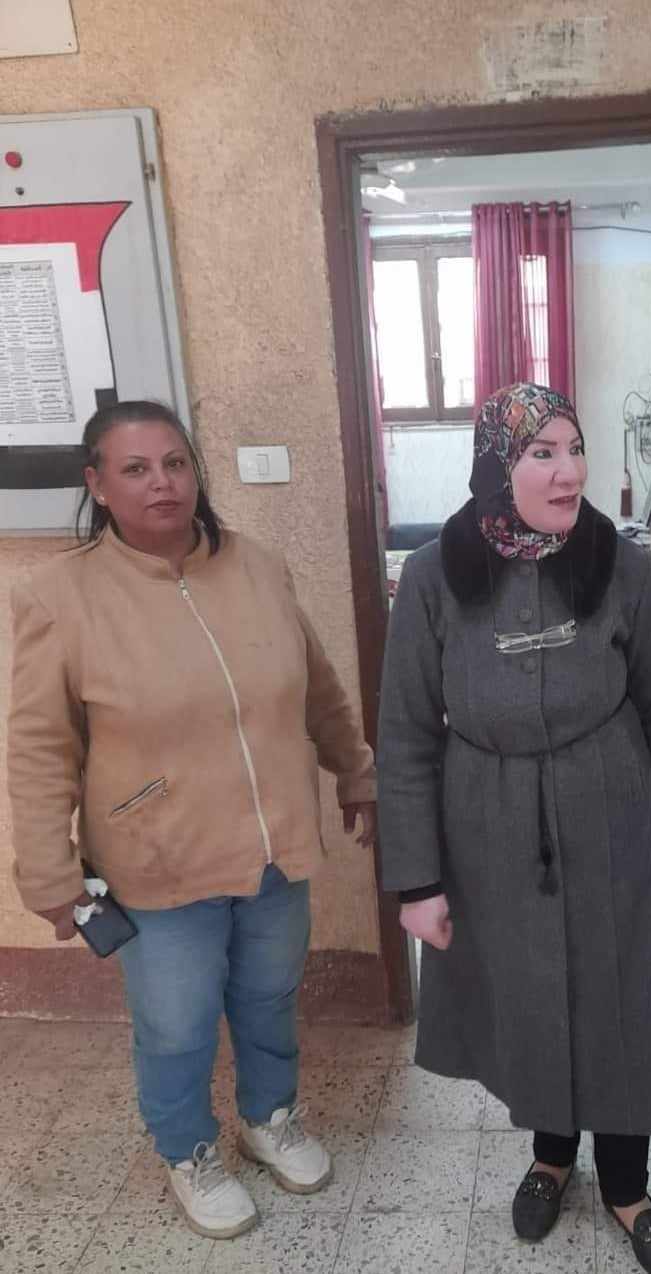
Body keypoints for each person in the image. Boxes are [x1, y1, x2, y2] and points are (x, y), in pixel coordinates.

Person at [7, 400, 376, 1240]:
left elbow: (316, 686)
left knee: (269, 996)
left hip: (274, 847)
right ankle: (188, 1150)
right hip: (157, 862)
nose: (162, 483)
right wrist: (51, 874)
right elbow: (38, 749)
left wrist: (356, 771)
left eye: (175, 463)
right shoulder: (59, 597)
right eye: (135, 469)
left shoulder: (257, 567)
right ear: (98, 484)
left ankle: (269, 1117)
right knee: (175, 1025)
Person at [377, 383, 651, 1274]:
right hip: (487, 821)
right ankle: (551, 1158)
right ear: (498, 464)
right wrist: (417, 880)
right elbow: (405, 734)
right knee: (530, 994)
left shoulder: (627, 570)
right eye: (542, 453)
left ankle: (629, 1187)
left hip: (617, 812)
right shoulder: (435, 575)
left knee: (622, 993)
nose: (569, 472)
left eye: (574, 448)